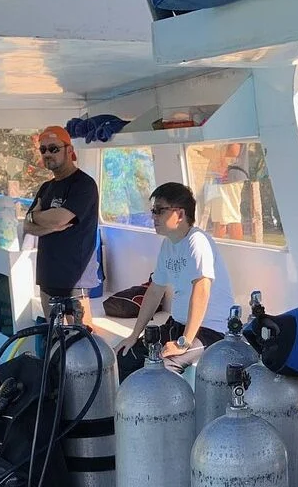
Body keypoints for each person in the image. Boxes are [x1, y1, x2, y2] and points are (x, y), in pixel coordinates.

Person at [115, 182, 236, 378]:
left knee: (163, 370)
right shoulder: (168, 245)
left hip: (210, 331)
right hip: (177, 325)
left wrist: (185, 342)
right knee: (126, 356)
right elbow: (155, 291)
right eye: (153, 210)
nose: (153, 216)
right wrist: (134, 335)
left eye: (159, 210)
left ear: (180, 215)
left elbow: (202, 289)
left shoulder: (197, 241)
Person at [23, 125, 101, 326]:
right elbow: (27, 226)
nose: (48, 153)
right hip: (47, 278)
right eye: (43, 149)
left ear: (68, 149)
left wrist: (38, 216)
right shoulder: (46, 187)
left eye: (54, 148)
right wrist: (49, 223)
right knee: (55, 339)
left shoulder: (84, 185)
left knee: (83, 340)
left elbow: (59, 218)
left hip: (76, 280)